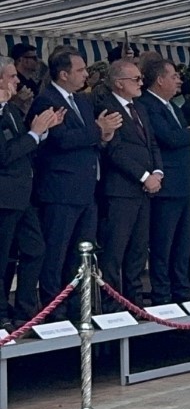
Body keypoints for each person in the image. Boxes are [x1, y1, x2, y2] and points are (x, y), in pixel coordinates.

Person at [28, 48, 119, 317]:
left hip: (86, 189)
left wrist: (104, 135)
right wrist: (98, 130)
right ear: (63, 74)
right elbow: (62, 140)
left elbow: (89, 138)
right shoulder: (46, 100)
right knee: (56, 253)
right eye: (79, 70)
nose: (85, 75)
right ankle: (53, 309)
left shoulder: (82, 100)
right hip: (60, 190)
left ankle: (78, 306)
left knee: (80, 254)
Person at [94, 59, 162, 303]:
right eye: (135, 79)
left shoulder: (139, 108)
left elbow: (151, 143)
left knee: (138, 249)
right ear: (119, 83)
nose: (141, 83)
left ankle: (135, 301)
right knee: (115, 249)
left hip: (144, 190)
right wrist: (144, 176)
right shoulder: (107, 107)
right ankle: (112, 304)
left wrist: (158, 172)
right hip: (121, 191)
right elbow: (116, 151)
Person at [0, 56, 58, 329]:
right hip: (4, 197)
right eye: (11, 76)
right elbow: (5, 154)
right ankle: (2, 313)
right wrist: (34, 134)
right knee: (2, 258)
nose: (17, 81)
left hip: (23, 195)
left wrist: (42, 131)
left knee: (35, 249)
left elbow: (25, 144)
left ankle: (25, 309)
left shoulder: (11, 109)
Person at [138, 53, 190, 304]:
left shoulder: (172, 106)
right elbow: (169, 138)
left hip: (185, 184)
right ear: (160, 80)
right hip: (167, 186)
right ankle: (162, 295)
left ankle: (181, 291)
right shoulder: (148, 105)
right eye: (173, 76)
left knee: (183, 244)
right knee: (163, 244)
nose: (179, 81)